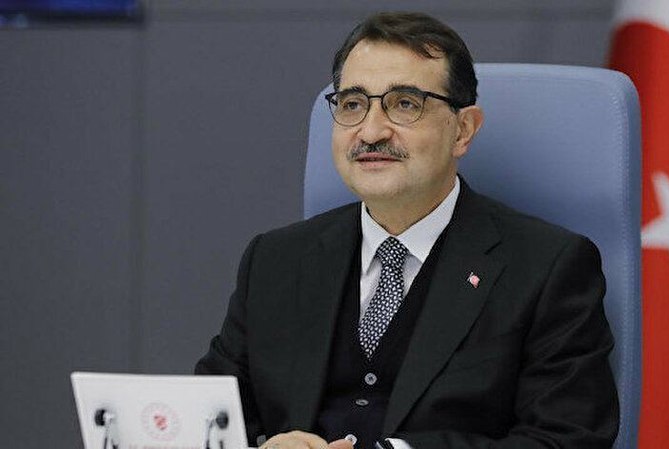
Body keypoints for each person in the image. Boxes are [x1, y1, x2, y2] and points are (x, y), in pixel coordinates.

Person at [196, 11, 618, 449]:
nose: (371, 131)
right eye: (353, 104)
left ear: (463, 130)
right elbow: (203, 424)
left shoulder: (547, 267)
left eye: (404, 104)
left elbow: (566, 440)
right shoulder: (275, 261)